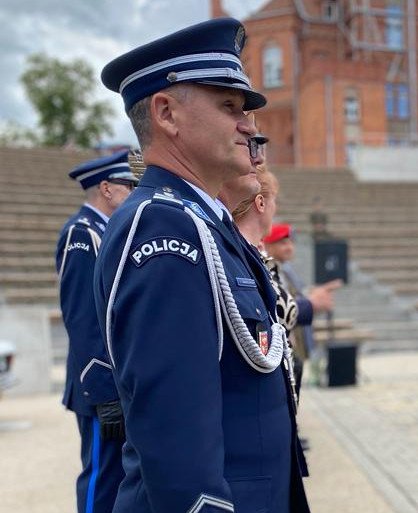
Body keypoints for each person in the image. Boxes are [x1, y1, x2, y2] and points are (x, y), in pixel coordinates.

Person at [94, 18, 310, 513]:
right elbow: (175, 436)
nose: (249, 126)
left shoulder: (204, 222)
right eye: (229, 107)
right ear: (166, 113)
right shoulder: (164, 228)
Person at [55, 150, 137, 513]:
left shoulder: (106, 231)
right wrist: (103, 390)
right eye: (127, 186)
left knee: (118, 476)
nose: (133, 192)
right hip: (99, 383)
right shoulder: (82, 233)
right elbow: (82, 317)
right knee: (102, 478)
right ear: (106, 188)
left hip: (114, 380)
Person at [263, 223, 340, 389]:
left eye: (291, 242)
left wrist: (315, 294)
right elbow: (279, 306)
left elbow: (296, 295)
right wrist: (312, 302)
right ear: (267, 244)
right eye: (283, 243)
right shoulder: (268, 269)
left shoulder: (286, 270)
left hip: (294, 342)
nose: (289, 247)